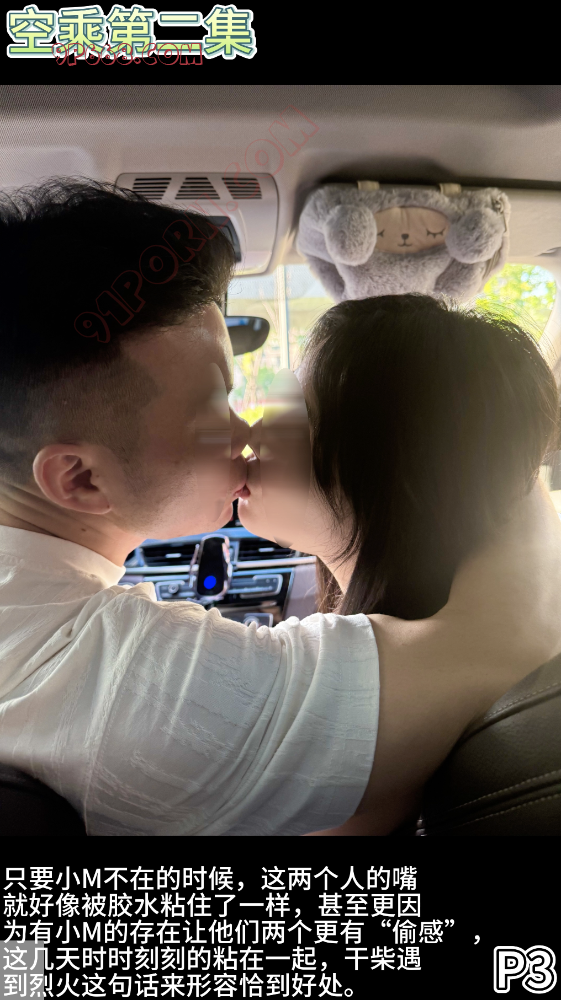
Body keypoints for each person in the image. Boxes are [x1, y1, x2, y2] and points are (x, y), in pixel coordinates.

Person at [0, 177, 380, 836]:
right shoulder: (113, 675)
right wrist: (355, 536)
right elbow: (472, 662)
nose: (245, 435)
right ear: (80, 479)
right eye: (212, 409)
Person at [240, 294, 561, 835]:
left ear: (389, 464)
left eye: (290, 417)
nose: (252, 434)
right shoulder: (486, 631)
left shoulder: (371, 703)